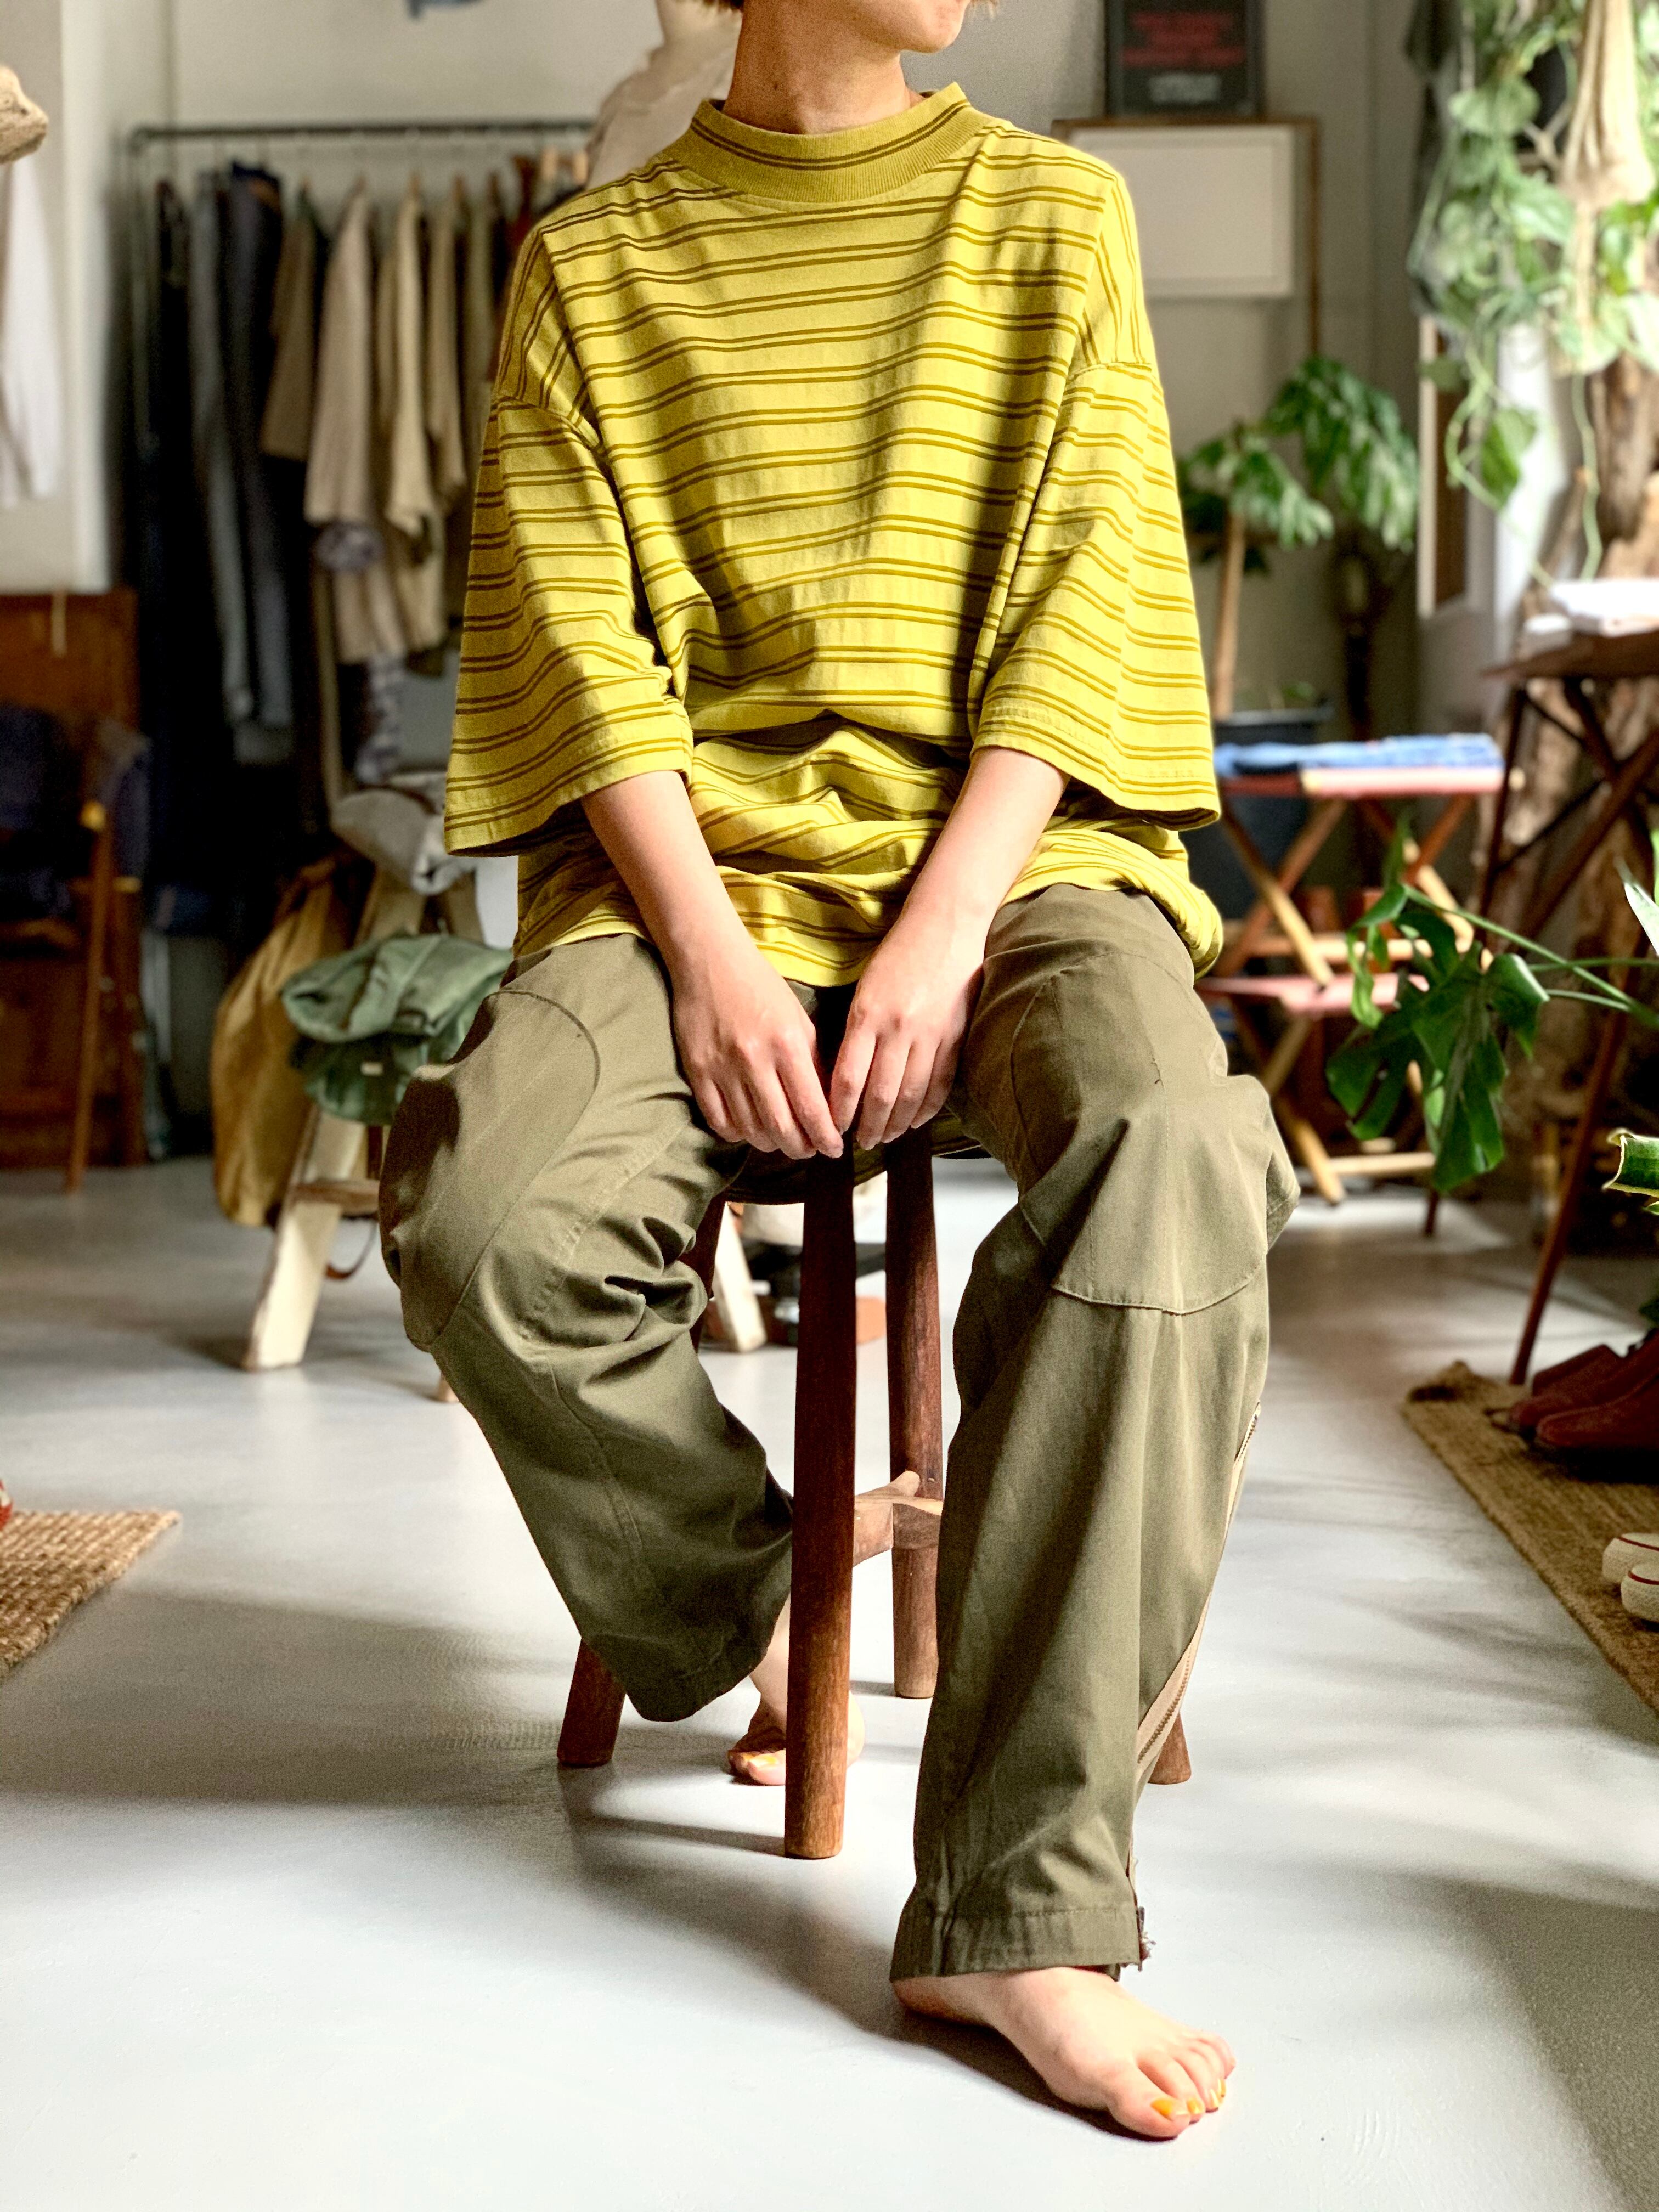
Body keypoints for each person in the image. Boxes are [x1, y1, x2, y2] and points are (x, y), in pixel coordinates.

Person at [380, 0, 1297, 2141]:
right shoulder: (589, 265)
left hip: (1020, 871)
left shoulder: (1054, 218)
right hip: (685, 898)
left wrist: (945, 932)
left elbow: (1082, 611)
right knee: (489, 1218)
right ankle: (757, 1603)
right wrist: (709, 958)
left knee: (1172, 1148)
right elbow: (578, 652)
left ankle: (1018, 1908)